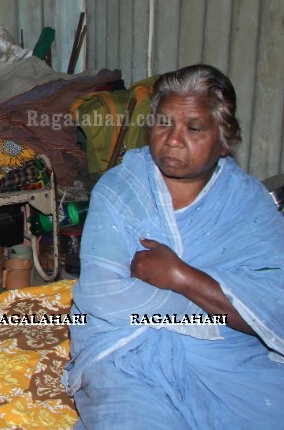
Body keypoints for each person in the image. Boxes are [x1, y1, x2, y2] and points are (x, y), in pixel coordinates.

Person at [64, 64, 284, 429]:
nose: (173, 139)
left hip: (225, 354)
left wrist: (181, 276)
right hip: (125, 354)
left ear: (224, 138)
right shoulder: (120, 189)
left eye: (193, 128)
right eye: (163, 123)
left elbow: (274, 306)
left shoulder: (249, 204)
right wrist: (219, 304)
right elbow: (103, 297)